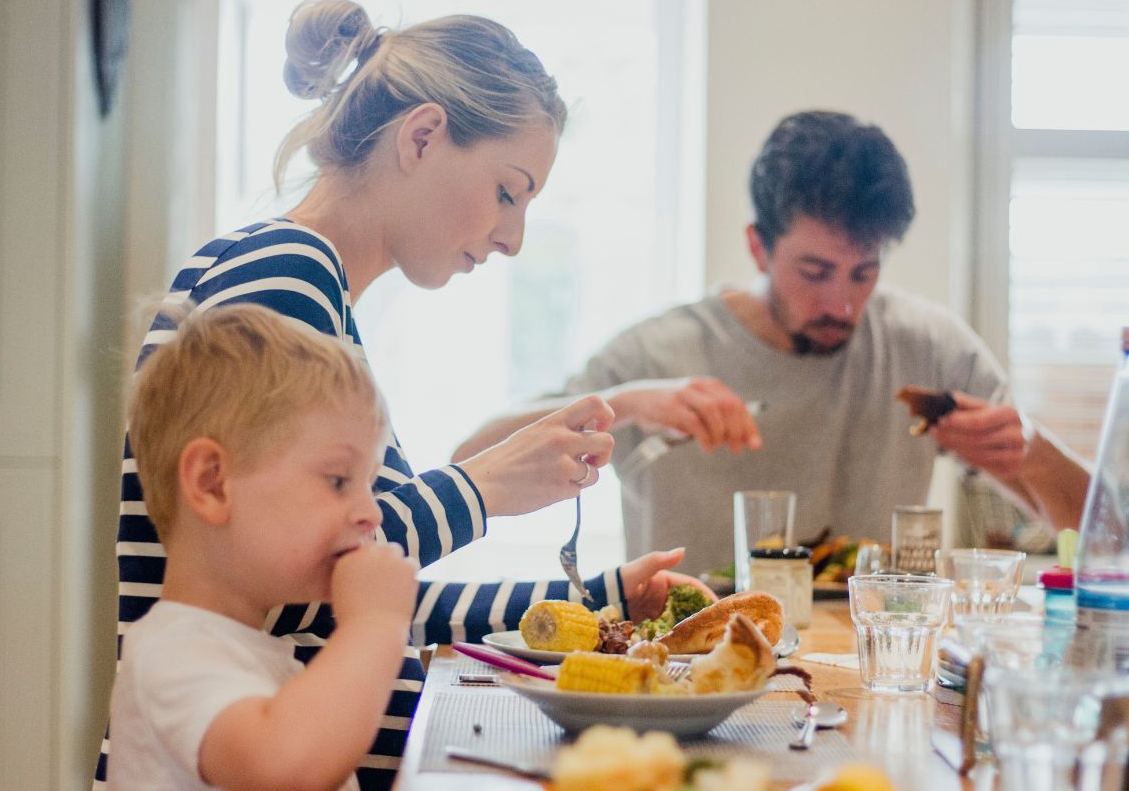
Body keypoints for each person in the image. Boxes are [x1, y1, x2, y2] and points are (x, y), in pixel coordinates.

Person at [97, 0, 711, 790]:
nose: (513, 237)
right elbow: (333, 574)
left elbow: (364, 591)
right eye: (507, 191)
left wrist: (604, 601)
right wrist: (485, 486)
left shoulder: (309, 287)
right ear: (420, 137)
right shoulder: (283, 277)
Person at [454, 110, 1091, 575]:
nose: (841, 304)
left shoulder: (925, 345)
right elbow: (470, 459)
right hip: (688, 669)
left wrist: (1029, 451)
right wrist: (629, 402)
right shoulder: (657, 355)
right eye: (814, 273)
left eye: (864, 273)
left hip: (865, 674)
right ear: (758, 245)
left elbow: (1104, 536)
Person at [109, 303, 417, 790]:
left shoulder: (249, 653)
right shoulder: (172, 654)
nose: (372, 512)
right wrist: (375, 625)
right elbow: (285, 767)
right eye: (339, 480)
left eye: (370, 484)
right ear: (213, 484)